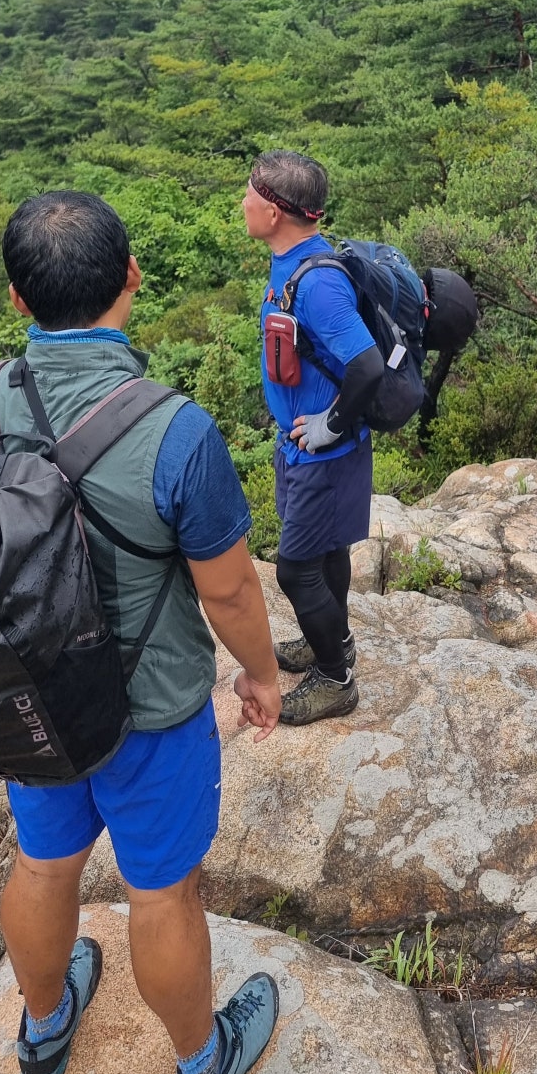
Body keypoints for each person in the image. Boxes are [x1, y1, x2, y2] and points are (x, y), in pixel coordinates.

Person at [0, 192, 282, 1074]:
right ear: (133, 275)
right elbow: (230, 588)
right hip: (151, 708)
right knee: (162, 891)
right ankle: (199, 1059)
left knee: (43, 860)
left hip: (21, 697)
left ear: (18, 299)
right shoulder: (175, 431)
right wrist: (261, 676)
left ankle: (46, 1029)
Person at [244, 151, 384, 726]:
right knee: (327, 555)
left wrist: (329, 426)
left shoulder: (318, 284)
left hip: (324, 454)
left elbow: (368, 365)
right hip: (303, 447)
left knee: (294, 569)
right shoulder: (291, 261)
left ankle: (336, 678)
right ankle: (332, 641)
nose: (243, 204)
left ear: (276, 212)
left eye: (249, 195)